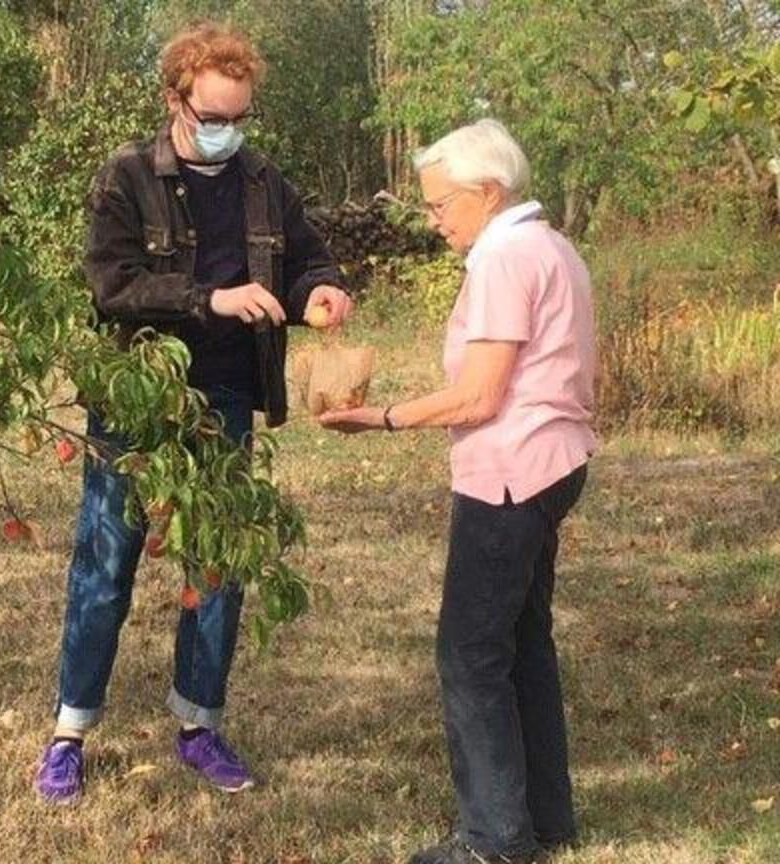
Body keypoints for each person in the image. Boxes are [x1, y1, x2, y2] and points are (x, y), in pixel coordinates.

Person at [34, 21, 353, 804]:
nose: (226, 133)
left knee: (219, 566)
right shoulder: (126, 177)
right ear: (176, 99)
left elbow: (310, 252)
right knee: (106, 562)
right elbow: (113, 285)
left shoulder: (263, 180)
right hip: (139, 396)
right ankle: (70, 732)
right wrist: (208, 297)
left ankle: (199, 723)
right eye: (213, 117)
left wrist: (323, 285)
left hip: (227, 398)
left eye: (239, 118)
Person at [318, 119, 596, 864]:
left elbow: (477, 397)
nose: (434, 219)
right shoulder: (553, 246)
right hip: (554, 463)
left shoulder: (504, 259)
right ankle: (545, 817)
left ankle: (494, 840)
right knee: (521, 642)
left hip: (511, 472)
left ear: (488, 192)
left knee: (470, 655)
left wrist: (380, 416)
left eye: (442, 204)